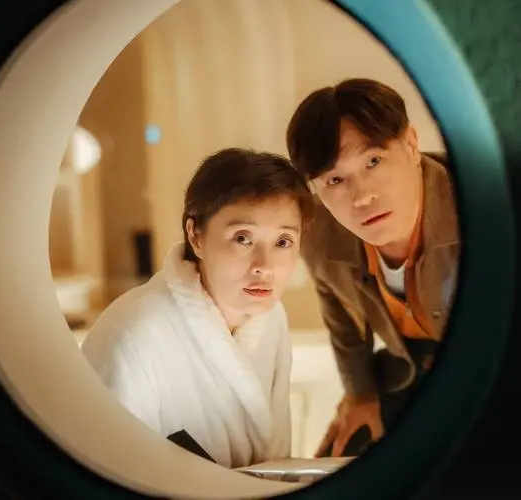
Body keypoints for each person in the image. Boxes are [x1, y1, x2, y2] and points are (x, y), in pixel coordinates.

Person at [81, 148, 314, 469]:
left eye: (283, 242)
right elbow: (105, 471)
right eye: (243, 238)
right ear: (196, 236)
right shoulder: (133, 334)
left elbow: (277, 458)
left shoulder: (272, 317)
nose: (264, 266)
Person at [286, 78, 460, 457]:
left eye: (373, 161)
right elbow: (339, 311)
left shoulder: (481, 203)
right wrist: (360, 394)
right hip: (407, 365)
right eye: (335, 179)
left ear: (411, 145)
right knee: (342, 457)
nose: (362, 196)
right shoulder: (318, 234)